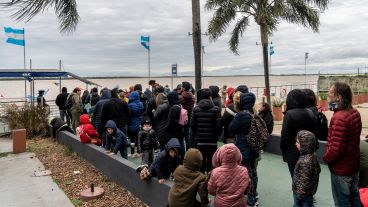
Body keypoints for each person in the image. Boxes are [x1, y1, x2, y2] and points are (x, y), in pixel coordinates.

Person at [323, 82, 363, 207]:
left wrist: (325, 159)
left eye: (330, 93)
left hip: (341, 170)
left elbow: (336, 150)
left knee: (342, 202)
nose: (327, 96)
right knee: (354, 198)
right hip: (353, 166)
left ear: (339, 97)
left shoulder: (339, 117)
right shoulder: (354, 112)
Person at [228, 92, 259, 207]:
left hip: (243, 148)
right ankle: (254, 195)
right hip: (254, 148)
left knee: (246, 175)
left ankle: (250, 200)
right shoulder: (254, 113)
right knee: (253, 172)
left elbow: (231, 128)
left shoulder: (241, 115)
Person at [192, 88, 221, 173]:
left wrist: (196, 135)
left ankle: (201, 181)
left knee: (201, 162)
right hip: (212, 140)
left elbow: (192, 125)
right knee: (211, 162)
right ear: (210, 97)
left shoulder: (196, 109)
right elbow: (218, 126)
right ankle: (210, 180)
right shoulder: (216, 110)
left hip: (200, 140)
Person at [293, 130, 321, 207]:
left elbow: (303, 182)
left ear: (305, 145)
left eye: (298, 142)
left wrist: (299, 197)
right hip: (309, 192)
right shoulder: (312, 155)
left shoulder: (305, 161)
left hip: (302, 194)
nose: (296, 144)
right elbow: (318, 170)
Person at [179, 81, 195, 149]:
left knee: (181, 137)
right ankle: (188, 151)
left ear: (184, 88)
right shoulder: (192, 96)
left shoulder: (182, 97)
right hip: (189, 116)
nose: (181, 87)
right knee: (187, 137)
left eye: (182, 86)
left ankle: (182, 154)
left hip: (182, 117)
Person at [128, 91, 144, 157]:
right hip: (139, 122)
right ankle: (138, 152)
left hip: (132, 122)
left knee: (132, 139)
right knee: (138, 138)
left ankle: (132, 153)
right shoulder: (141, 104)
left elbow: (128, 115)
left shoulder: (129, 105)